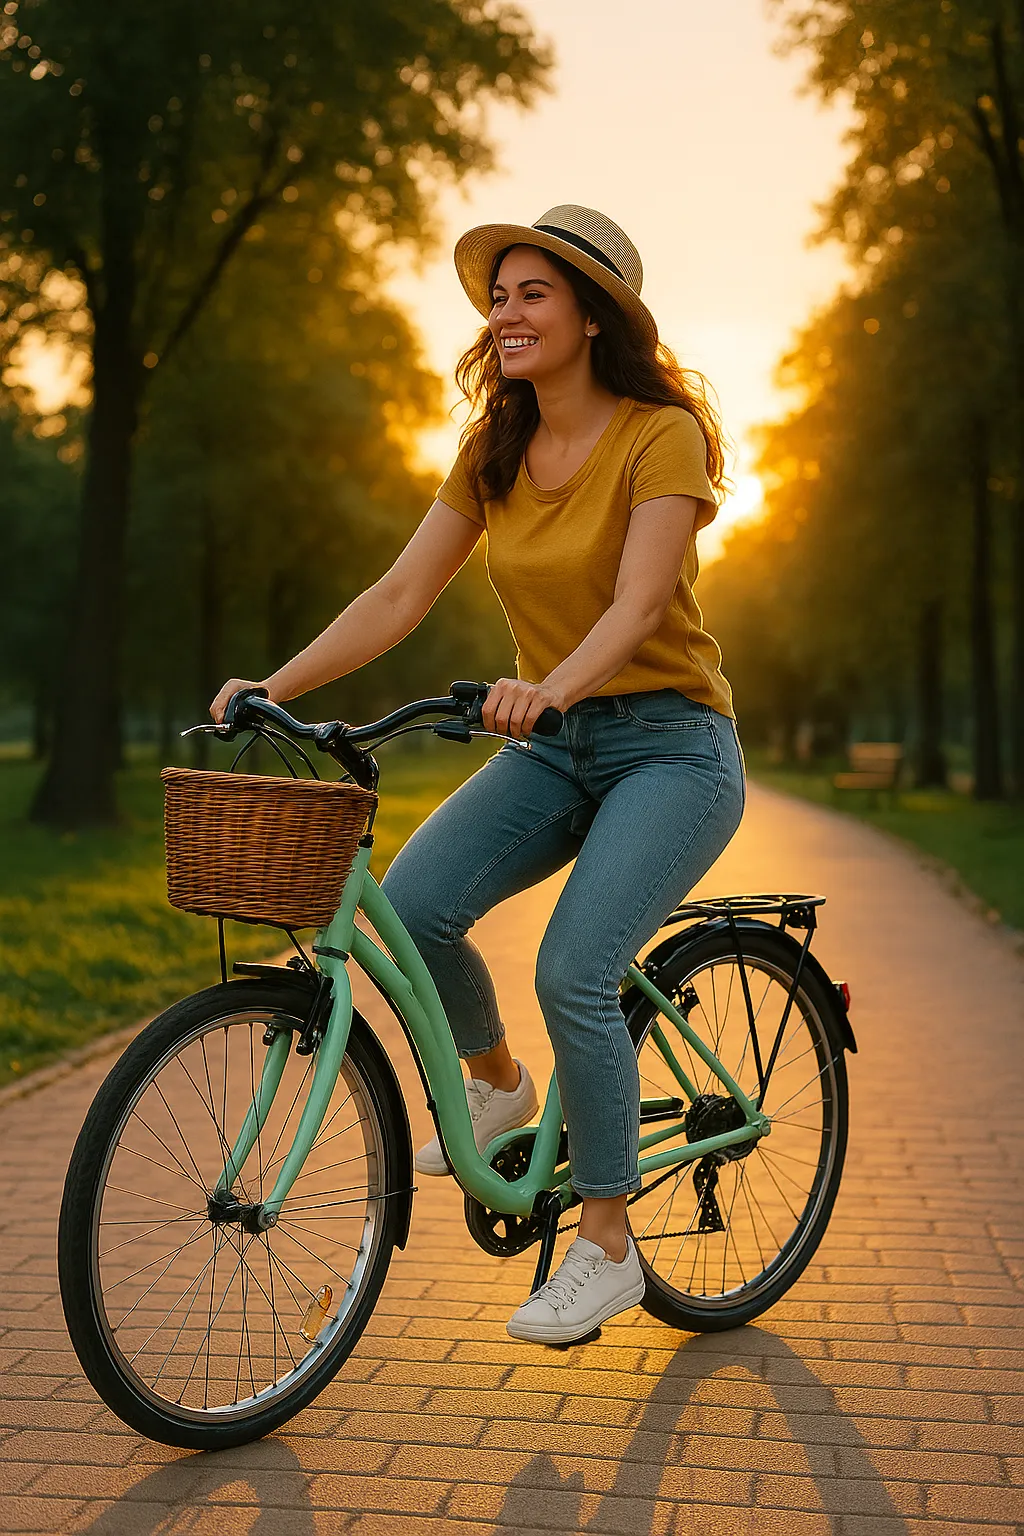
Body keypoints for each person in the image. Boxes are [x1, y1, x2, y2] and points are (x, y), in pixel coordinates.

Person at [211, 204, 745, 1346]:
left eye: (532, 294)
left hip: (672, 745)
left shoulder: (660, 435)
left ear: (593, 317)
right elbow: (398, 596)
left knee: (574, 970)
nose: (505, 313)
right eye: (498, 296)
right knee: (412, 905)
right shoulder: (493, 451)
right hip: (555, 746)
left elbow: (639, 603)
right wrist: (276, 684)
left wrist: (550, 686)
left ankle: (607, 1243)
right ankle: (498, 1082)